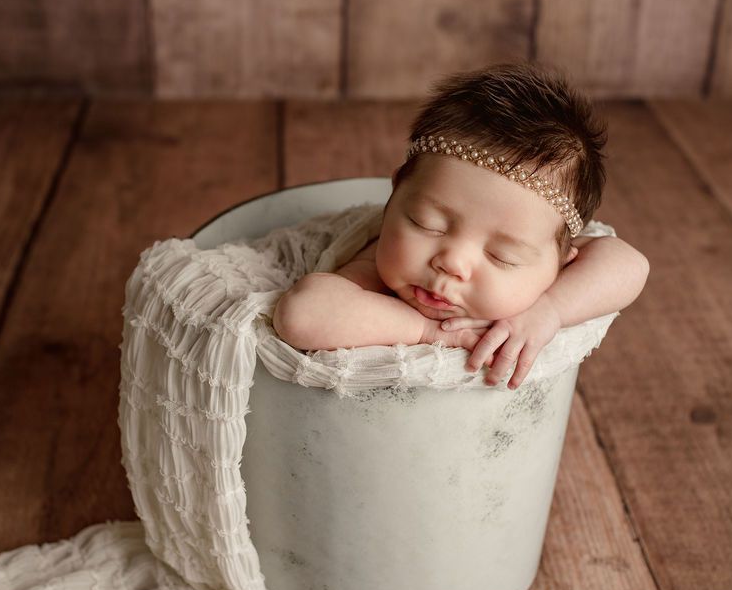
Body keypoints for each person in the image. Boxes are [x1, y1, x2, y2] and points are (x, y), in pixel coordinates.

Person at [273, 61, 650, 389]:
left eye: (502, 256)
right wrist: (426, 331)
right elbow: (301, 315)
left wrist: (549, 309)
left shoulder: (553, 275)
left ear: (563, 261)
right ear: (394, 196)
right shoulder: (376, 268)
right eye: (427, 224)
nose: (451, 262)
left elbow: (631, 265)